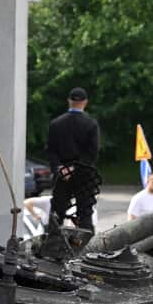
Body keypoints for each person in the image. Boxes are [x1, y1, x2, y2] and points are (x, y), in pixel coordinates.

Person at [46, 87, 101, 231]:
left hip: (62, 175)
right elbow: (92, 152)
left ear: (69, 101)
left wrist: (60, 168)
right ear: (85, 102)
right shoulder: (91, 124)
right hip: (84, 175)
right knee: (85, 213)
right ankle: (87, 246)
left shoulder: (56, 124)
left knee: (57, 213)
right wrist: (76, 167)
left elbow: (51, 150)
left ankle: (52, 245)